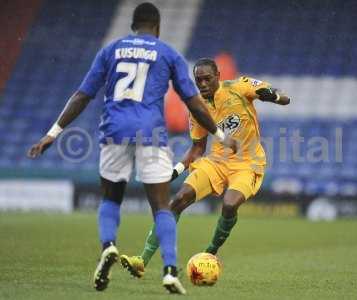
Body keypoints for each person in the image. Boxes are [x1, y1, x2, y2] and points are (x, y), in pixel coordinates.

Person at [27, 3, 236, 295]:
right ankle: (169, 271)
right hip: (150, 133)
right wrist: (220, 135)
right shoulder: (167, 53)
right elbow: (193, 101)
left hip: (114, 131)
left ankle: (109, 246)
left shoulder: (110, 50)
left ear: (133, 27)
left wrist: (53, 133)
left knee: (111, 199)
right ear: (158, 27)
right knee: (162, 207)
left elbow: (82, 95)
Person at [119, 58, 290, 278]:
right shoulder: (196, 107)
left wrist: (274, 97)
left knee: (229, 205)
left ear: (218, 76)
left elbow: (285, 98)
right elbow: (197, 149)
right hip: (216, 162)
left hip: (248, 164)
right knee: (178, 200)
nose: (202, 84)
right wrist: (174, 171)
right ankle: (141, 260)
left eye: (207, 79)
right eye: (198, 80)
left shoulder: (241, 87)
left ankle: (210, 252)